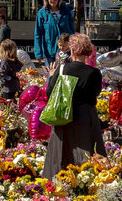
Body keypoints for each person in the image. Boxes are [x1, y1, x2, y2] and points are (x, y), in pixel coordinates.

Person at [43, 33, 106, 178]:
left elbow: (50, 92)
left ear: (72, 50)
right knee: (87, 150)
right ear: (88, 51)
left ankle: (59, 180)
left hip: (64, 114)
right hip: (86, 115)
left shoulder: (62, 69)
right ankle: (88, 180)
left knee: (62, 150)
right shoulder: (94, 73)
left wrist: (52, 76)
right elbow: (95, 93)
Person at [34, 0, 74, 68]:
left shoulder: (67, 12)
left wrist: (74, 48)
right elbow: (38, 34)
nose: (53, 0)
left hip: (67, 52)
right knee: (51, 74)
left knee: (65, 74)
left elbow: (72, 31)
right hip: (50, 52)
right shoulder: (42, 13)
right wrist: (38, 53)